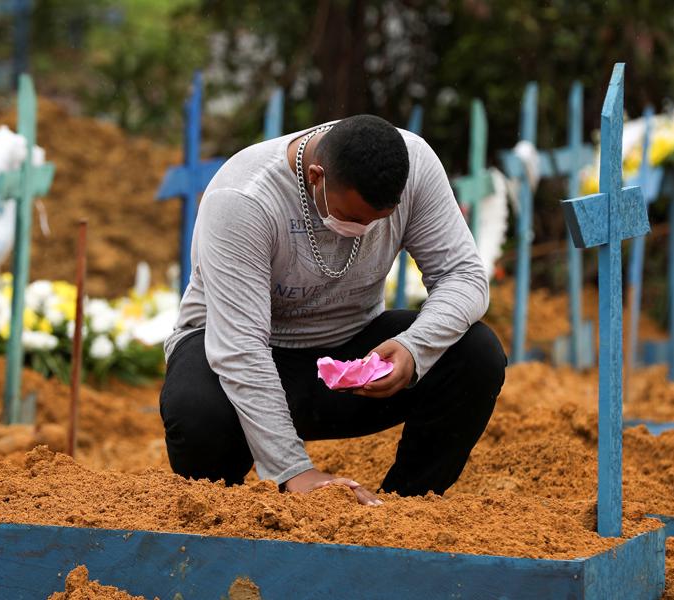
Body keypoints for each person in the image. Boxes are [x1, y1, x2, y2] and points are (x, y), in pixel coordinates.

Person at [160, 114, 505, 505]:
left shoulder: (416, 166)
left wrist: (414, 347)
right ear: (316, 176)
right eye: (354, 218)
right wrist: (295, 471)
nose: (366, 229)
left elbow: (465, 277)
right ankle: (225, 517)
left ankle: (403, 510)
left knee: (476, 354)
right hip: (237, 356)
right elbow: (240, 348)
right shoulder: (244, 199)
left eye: (381, 219)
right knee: (198, 414)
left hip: (346, 358)